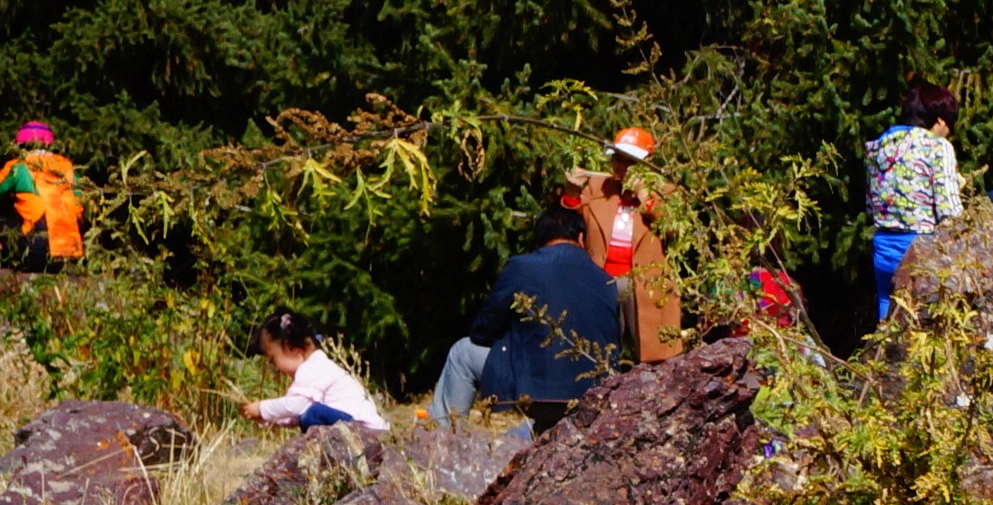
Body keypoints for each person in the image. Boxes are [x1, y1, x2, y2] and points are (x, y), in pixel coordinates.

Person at [433, 204, 625, 432]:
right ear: (581, 238)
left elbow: (484, 330)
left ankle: (441, 442)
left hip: (535, 391)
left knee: (462, 353)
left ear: (540, 239)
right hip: (594, 394)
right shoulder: (607, 280)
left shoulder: (522, 267)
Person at [565, 126, 679, 365]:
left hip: (646, 284)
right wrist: (573, 191)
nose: (621, 167)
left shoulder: (666, 191)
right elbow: (571, 222)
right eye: (618, 159)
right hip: (602, 279)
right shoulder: (598, 187)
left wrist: (645, 196)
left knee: (655, 355)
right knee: (597, 352)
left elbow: (672, 228)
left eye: (630, 162)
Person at [865, 80, 962, 320]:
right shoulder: (938, 147)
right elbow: (949, 211)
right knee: (921, 324)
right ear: (939, 120)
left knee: (887, 312)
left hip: (884, 246)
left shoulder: (878, 146)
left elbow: (871, 203)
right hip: (920, 248)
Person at [246, 310, 387, 433]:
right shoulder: (314, 367)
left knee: (313, 413)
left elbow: (296, 406)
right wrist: (268, 418)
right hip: (357, 426)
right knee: (309, 414)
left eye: (273, 359)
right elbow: (295, 414)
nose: (274, 366)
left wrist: (262, 408)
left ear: (293, 349)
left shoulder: (314, 368)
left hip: (363, 429)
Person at [0, 121, 83, 273]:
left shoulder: (19, 166)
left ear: (20, 144)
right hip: (71, 249)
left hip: (37, 247)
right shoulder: (68, 167)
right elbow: (84, 202)